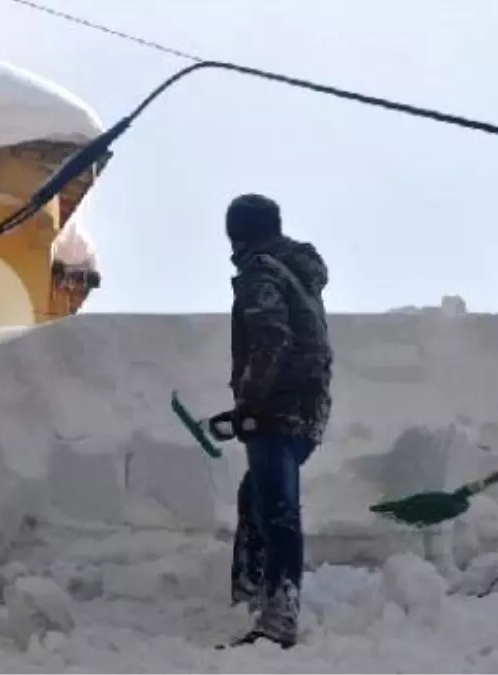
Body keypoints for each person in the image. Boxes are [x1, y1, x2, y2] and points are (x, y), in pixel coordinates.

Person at [219, 193, 333, 648]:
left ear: (238, 234)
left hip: (278, 405)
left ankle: (278, 614)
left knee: (279, 507)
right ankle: (251, 589)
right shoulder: (298, 271)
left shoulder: (260, 271)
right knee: (258, 496)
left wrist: (248, 402)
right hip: (310, 404)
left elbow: (271, 338)